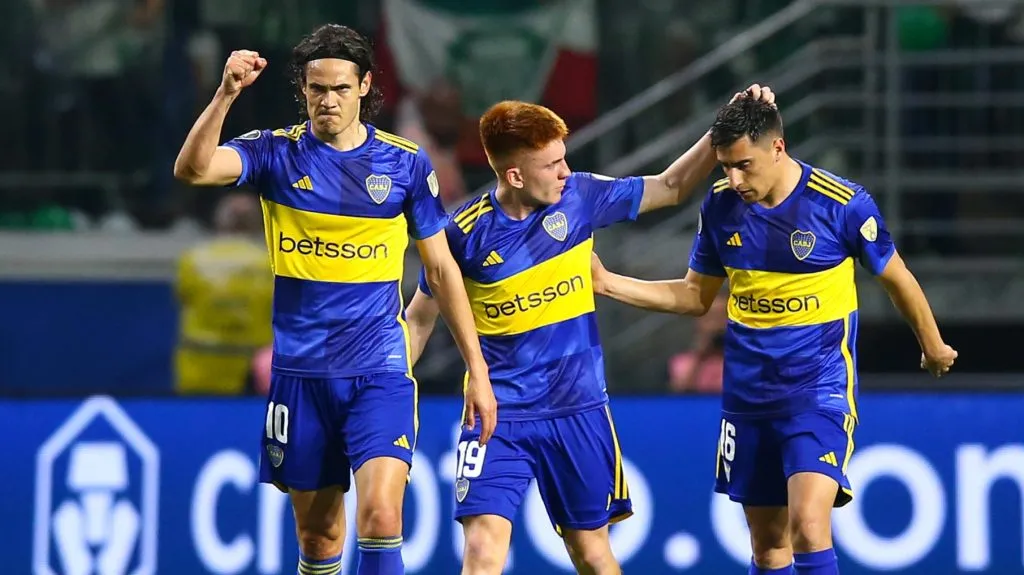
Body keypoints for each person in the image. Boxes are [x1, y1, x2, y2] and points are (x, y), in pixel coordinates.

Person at [403, 86, 777, 575]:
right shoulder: (462, 234)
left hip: (578, 409)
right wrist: (387, 392)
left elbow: (670, 187)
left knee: (592, 553)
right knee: (481, 548)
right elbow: (418, 319)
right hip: (499, 413)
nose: (564, 171)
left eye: (564, 159)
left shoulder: (580, 196)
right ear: (513, 175)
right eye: (551, 164)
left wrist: (721, 127)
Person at [172, 24, 496, 575]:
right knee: (319, 537)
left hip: (379, 371)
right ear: (302, 89)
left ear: (365, 86)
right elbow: (193, 169)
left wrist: (478, 370)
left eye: (341, 89)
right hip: (301, 375)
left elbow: (441, 270)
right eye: (317, 89)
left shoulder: (404, 165)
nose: (329, 100)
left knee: (379, 514)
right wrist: (226, 94)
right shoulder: (276, 154)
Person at [589, 96, 958, 575]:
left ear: (778, 147)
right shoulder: (720, 207)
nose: (735, 180)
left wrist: (932, 345)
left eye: (744, 165)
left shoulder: (840, 204)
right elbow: (693, 297)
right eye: (725, 167)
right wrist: (609, 283)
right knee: (768, 547)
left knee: (808, 523)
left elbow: (897, 277)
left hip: (817, 391)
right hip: (748, 396)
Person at [174, 192, 273, 395]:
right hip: (253, 368)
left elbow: (183, 298)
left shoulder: (192, 260)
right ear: (257, 221)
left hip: (200, 364)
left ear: (219, 220)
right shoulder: (271, 262)